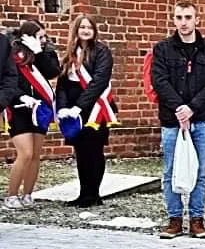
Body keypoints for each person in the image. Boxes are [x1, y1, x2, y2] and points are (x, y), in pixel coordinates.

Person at [150, 1, 205, 239]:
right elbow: (159, 81)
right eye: (179, 17)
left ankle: (197, 219)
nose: (183, 22)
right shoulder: (162, 49)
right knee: (171, 171)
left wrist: (192, 108)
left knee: (199, 171)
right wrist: (180, 108)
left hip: (201, 119)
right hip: (172, 120)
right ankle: (175, 219)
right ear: (174, 20)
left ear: (196, 19)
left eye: (188, 17)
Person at [55, 14, 119, 207]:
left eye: (89, 27)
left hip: (95, 106)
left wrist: (79, 106)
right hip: (74, 108)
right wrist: (64, 107)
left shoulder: (102, 51)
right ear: (76, 29)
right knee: (80, 151)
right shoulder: (70, 53)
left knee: (94, 150)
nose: (85, 30)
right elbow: (63, 83)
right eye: (82, 27)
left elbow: (99, 81)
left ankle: (94, 194)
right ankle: (83, 193)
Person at [3, 20, 60, 209]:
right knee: (25, 153)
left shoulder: (45, 52)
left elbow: (52, 72)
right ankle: (11, 196)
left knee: (35, 154)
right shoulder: (11, 53)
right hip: (19, 108)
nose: (43, 40)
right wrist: (21, 96)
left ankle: (27, 194)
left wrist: (40, 53)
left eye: (44, 36)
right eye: (39, 37)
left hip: (39, 108)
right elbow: (9, 79)